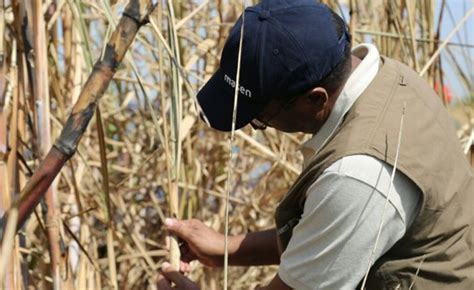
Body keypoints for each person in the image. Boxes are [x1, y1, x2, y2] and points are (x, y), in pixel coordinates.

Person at [157, 0, 474, 289]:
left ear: (315, 100)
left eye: (260, 117)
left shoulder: (358, 174)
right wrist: (226, 249)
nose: (257, 129)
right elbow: (331, 233)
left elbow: (342, 214)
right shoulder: (391, 78)